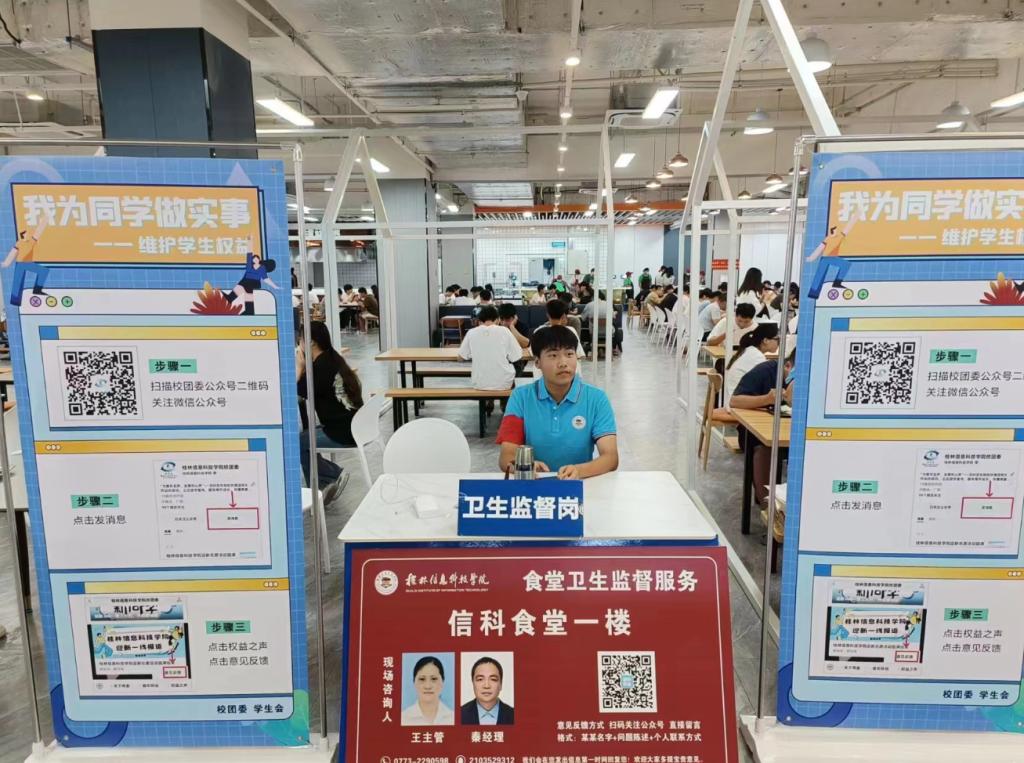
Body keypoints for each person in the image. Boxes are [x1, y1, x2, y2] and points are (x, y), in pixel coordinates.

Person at [497, 325, 618, 479]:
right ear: (537, 362)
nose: (563, 363)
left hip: (579, 485)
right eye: (553, 355)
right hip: (535, 485)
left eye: (569, 354)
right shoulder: (520, 397)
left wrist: (579, 470)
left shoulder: (596, 399)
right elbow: (506, 456)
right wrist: (525, 467)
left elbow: (610, 458)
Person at [295, 321, 363, 504]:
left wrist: (300, 367)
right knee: (306, 436)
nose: (298, 343)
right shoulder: (332, 358)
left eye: (300, 339)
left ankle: (324, 485)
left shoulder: (320, 367)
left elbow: (297, 391)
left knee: (298, 443)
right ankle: (328, 477)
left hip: (343, 431)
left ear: (311, 342)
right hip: (354, 425)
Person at [730, 348, 796, 510]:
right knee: (766, 447)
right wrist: (767, 399)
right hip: (754, 434)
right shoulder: (765, 371)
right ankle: (769, 507)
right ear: (787, 366)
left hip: (791, 435)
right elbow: (734, 401)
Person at [458, 305, 523, 394]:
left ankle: (487, 401)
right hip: (504, 383)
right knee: (516, 365)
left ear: (480, 320)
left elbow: (460, 357)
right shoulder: (504, 331)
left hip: (479, 383)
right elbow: (517, 356)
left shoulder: (471, 332)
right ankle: (505, 401)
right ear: (497, 319)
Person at [723, 322, 780, 410]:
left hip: (735, 400)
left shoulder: (751, 351)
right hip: (738, 405)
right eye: (777, 339)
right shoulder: (757, 357)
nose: (779, 343)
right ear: (765, 340)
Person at [225, 239, 278, 315]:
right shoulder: (259, 268)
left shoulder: (257, 267)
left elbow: (249, 254)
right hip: (249, 284)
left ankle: (246, 311)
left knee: (246, 300)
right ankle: (247, 311)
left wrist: (249, 243)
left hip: (249, 284)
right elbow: (266, 278)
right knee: (247, 301)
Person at [3, 220, 48, 307]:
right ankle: (15, 301)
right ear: (23, 235)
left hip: (28, 263)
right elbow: (13, 253)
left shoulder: (31, 241)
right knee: (17, 283)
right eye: (27, 234)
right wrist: (6, 263)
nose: (29, 235)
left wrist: (44, 222)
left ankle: (37, 289)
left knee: (43, 271)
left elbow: (38, 231)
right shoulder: (19, 243)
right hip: (20, 264)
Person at [402, 656, 454, 726]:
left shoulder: (452, 717)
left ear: (442, 682)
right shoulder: (403, 718)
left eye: (434, 679)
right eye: (422, 679)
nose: (428, 686)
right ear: (414, 683)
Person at [461, 656, 514, 725]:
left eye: (493, 679)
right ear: (473, 683)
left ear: (501, 684)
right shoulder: (459, 714)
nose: (486, 686)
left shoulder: (513, 715)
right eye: (480, 679)